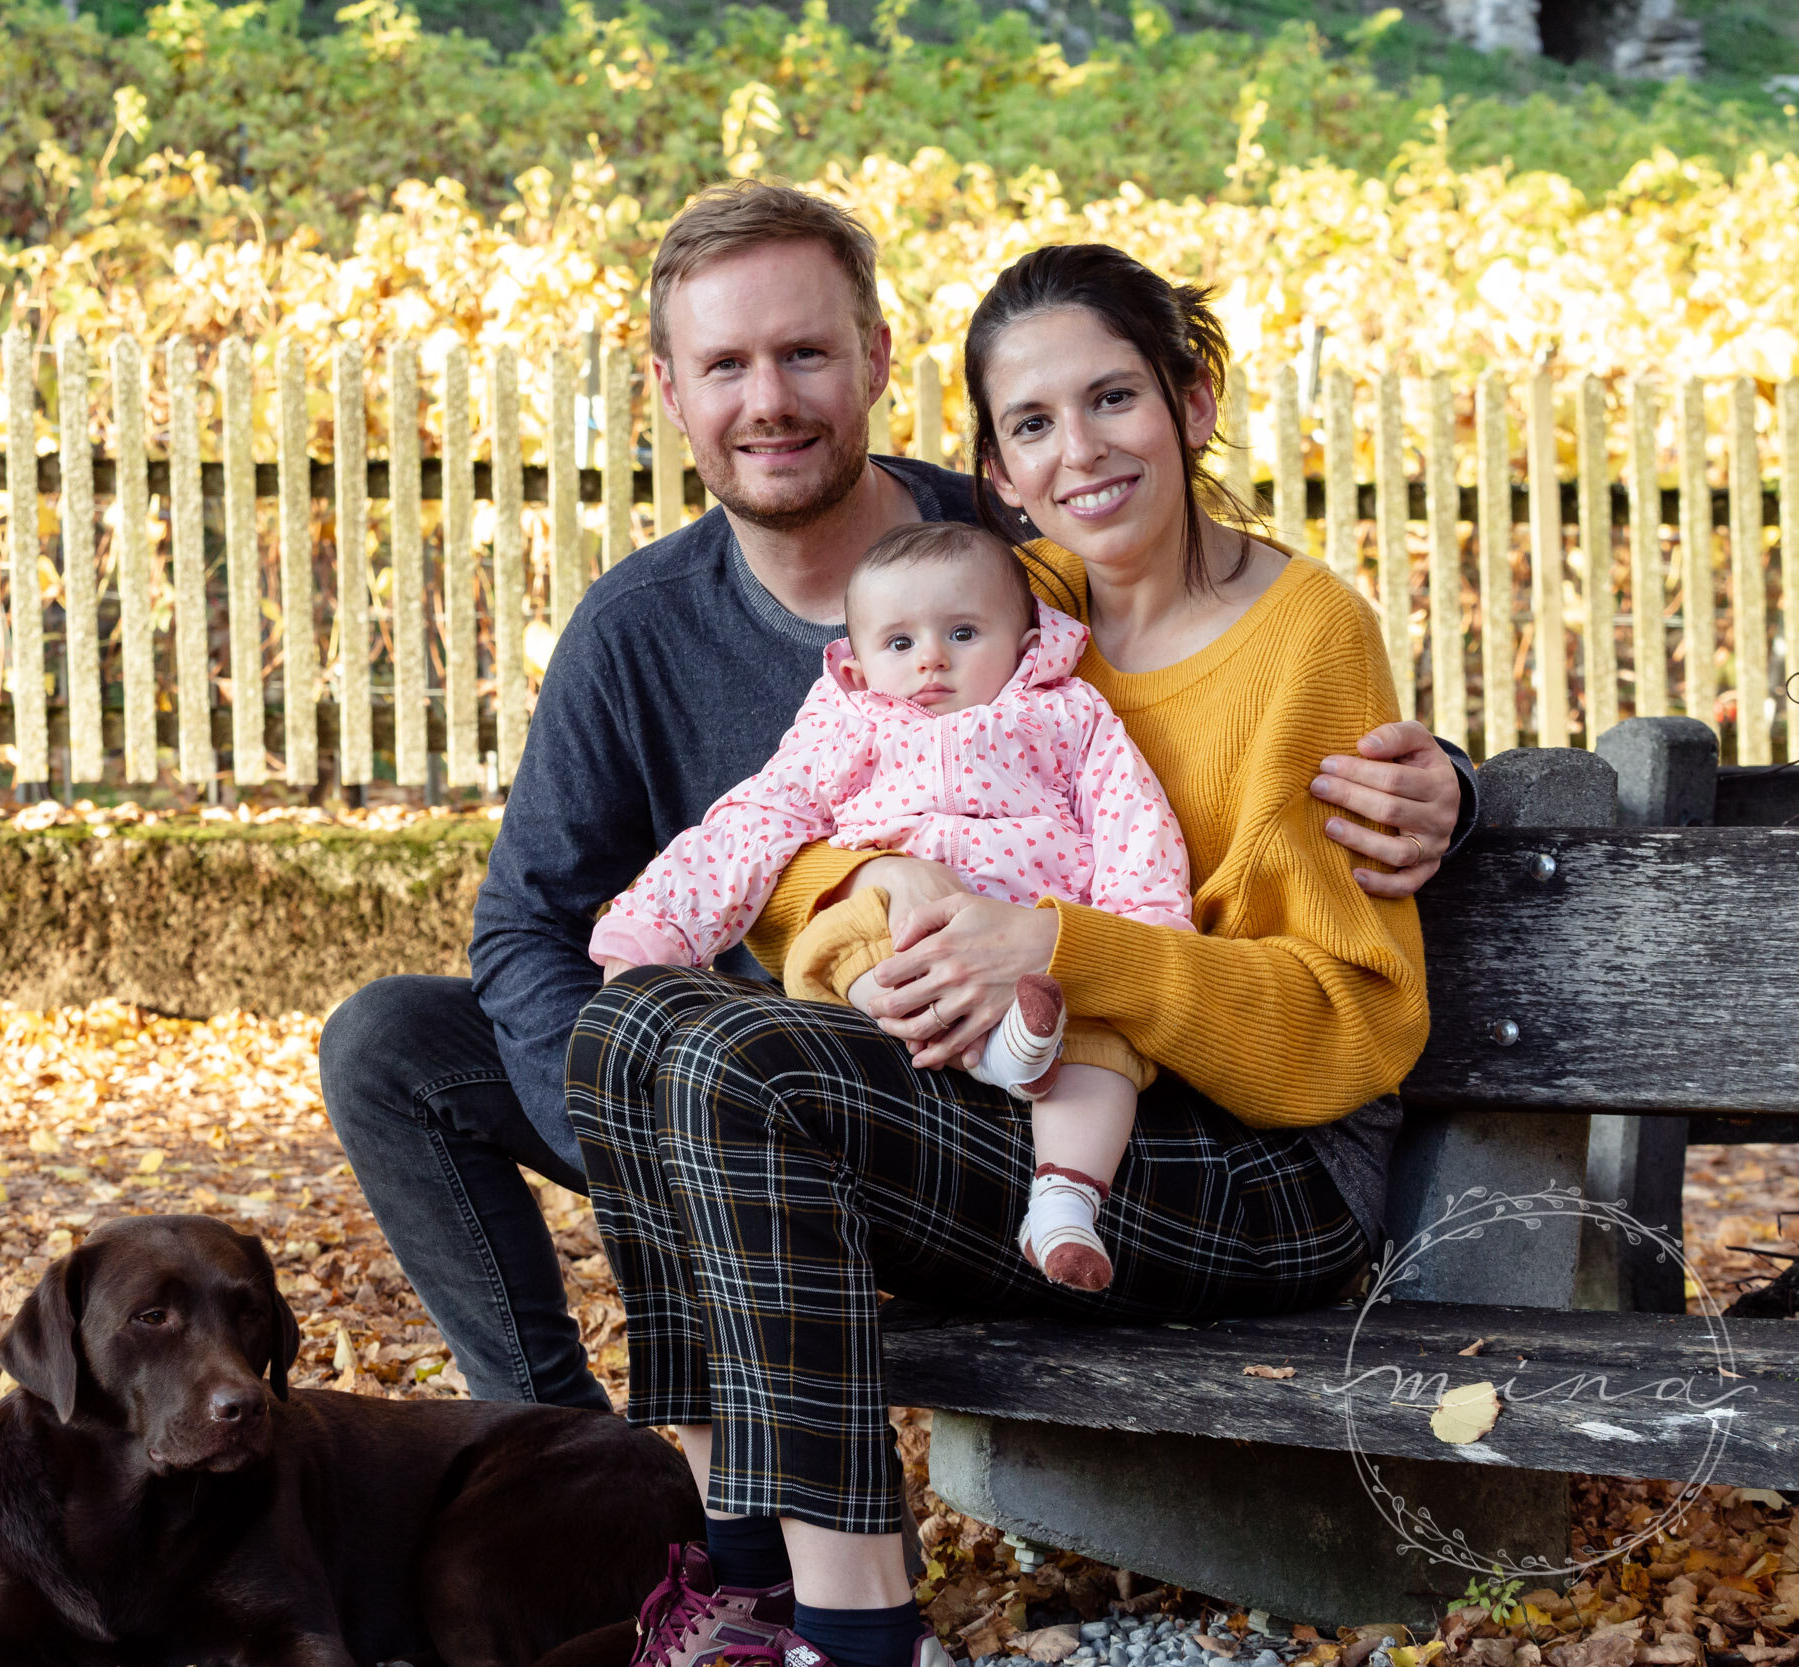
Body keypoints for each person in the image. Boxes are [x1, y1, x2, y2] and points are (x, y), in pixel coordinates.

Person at [317, 185, 1464, 1390]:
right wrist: (650, 1148)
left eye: (804, 352)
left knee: (724, 1060)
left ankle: (781, 1543)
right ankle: (556, 1449)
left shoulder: (1019, 564)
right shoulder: (639, 629)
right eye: (726, 365)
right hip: (779, 1051)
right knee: (397, 1041)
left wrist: (1455, 790)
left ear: (873, 360)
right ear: (670, 392)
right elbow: (528, 927)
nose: (767, 401)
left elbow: (1238, 676)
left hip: (1020, 1064)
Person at [566, 238, 1438, 1667]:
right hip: (1012, 1107)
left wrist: (1052, 943)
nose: (1080, 450)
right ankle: (739, 1577)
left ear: (1194, 401)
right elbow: (807, 824)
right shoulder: (991, 600)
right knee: (633, 1020)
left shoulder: (1304, 637)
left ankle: (855, 1631)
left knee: (734, 1061)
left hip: (1253, 1164)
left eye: (1113, 399)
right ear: (1000, 467)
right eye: (1033, 424)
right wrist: (893, 898)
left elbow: (1346, 1023)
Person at [584, 518, 1194, 1291]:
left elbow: (1132, 823)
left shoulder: (1068, 714)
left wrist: (1141, 934)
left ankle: (1063, 1205)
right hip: (898, 947)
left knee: (1108, 1055)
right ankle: (995, 1051)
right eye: (898, 643)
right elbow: (758, 817)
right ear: (861, 659)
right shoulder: (852, 721)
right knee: (846, 934)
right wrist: (656, 925)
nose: (931, 658)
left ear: (1025, 637)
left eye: (964, 632)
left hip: (1039, 958)